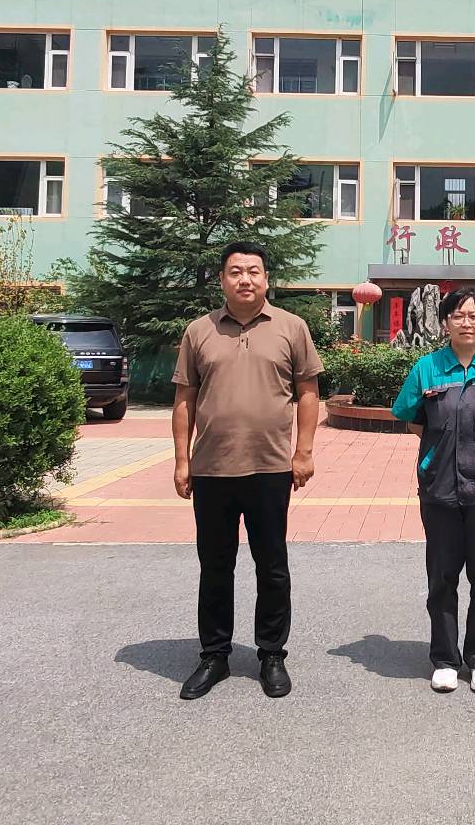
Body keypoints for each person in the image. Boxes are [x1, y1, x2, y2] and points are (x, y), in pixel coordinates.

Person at [171, 240, 323, 701]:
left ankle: (271, 654)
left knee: (271, 565)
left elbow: (308, 394)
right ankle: (214, 655)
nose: (245, 279)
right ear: (222, 279)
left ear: (266, 279)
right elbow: (184, 399)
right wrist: (182, 460)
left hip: (270, 467)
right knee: (215, 566)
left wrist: (304, 452)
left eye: (253, 271)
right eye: (235, 271)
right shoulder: (199, 331)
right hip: (212, 469)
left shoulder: (291, 328)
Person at [391, 289, 475, 694]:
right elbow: (411, 418)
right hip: (440, 488)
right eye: (458, 315)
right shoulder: (427, 368)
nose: (466, 322)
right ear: (445, 322)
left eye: (474, 315)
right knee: (442, 576)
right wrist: (440, 448)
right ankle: (446, 659)